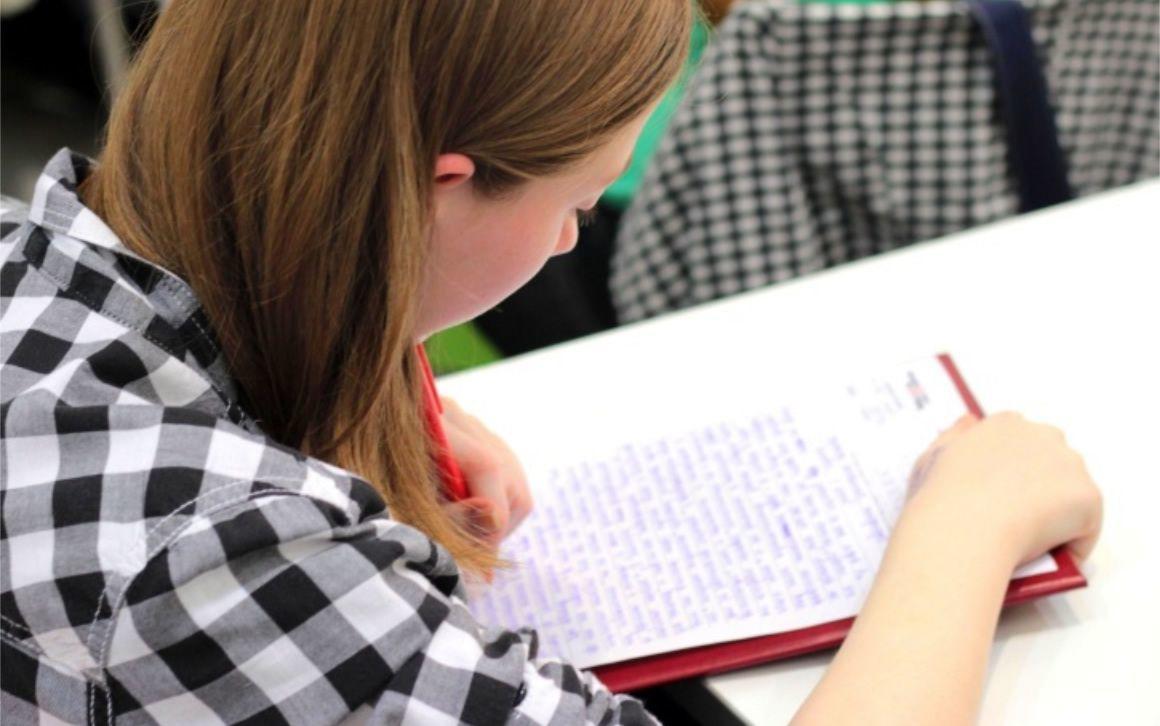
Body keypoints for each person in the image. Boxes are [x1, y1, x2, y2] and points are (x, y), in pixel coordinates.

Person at [0, 1, 1101, 724]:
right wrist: (964, 527)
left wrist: (342, 390)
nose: (577, 238)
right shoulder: (223, 559)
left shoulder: (44, 269)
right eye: (573, 203)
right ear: (434, 185)